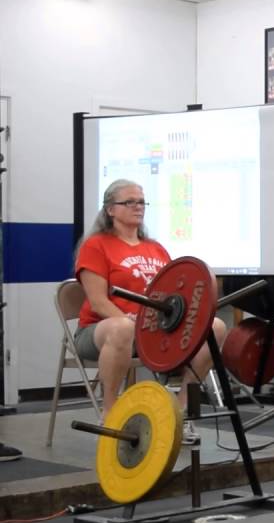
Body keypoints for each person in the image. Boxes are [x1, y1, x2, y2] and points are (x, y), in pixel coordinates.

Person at [74, 179, 228, 443]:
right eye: (129, 202)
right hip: (100, 331)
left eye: (142, 202)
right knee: (122, 328)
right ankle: (110, 412)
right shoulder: (96, 245)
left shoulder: (155, 248)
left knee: (216, 327)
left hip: (151, 332)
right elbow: (99, 302)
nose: (138, 207)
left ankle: (179, 414)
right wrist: (128, 321)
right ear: (111, 209)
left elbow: (174, 295)